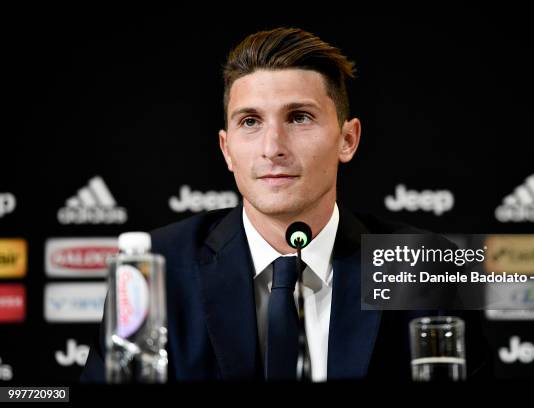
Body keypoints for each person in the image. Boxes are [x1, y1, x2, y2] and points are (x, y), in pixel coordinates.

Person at [81, 27, 491, 382]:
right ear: (227, 150)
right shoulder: (156, 268)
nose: (272, 147)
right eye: (250, 121)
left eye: (299, 117)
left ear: (347, 139)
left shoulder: (422, 266)